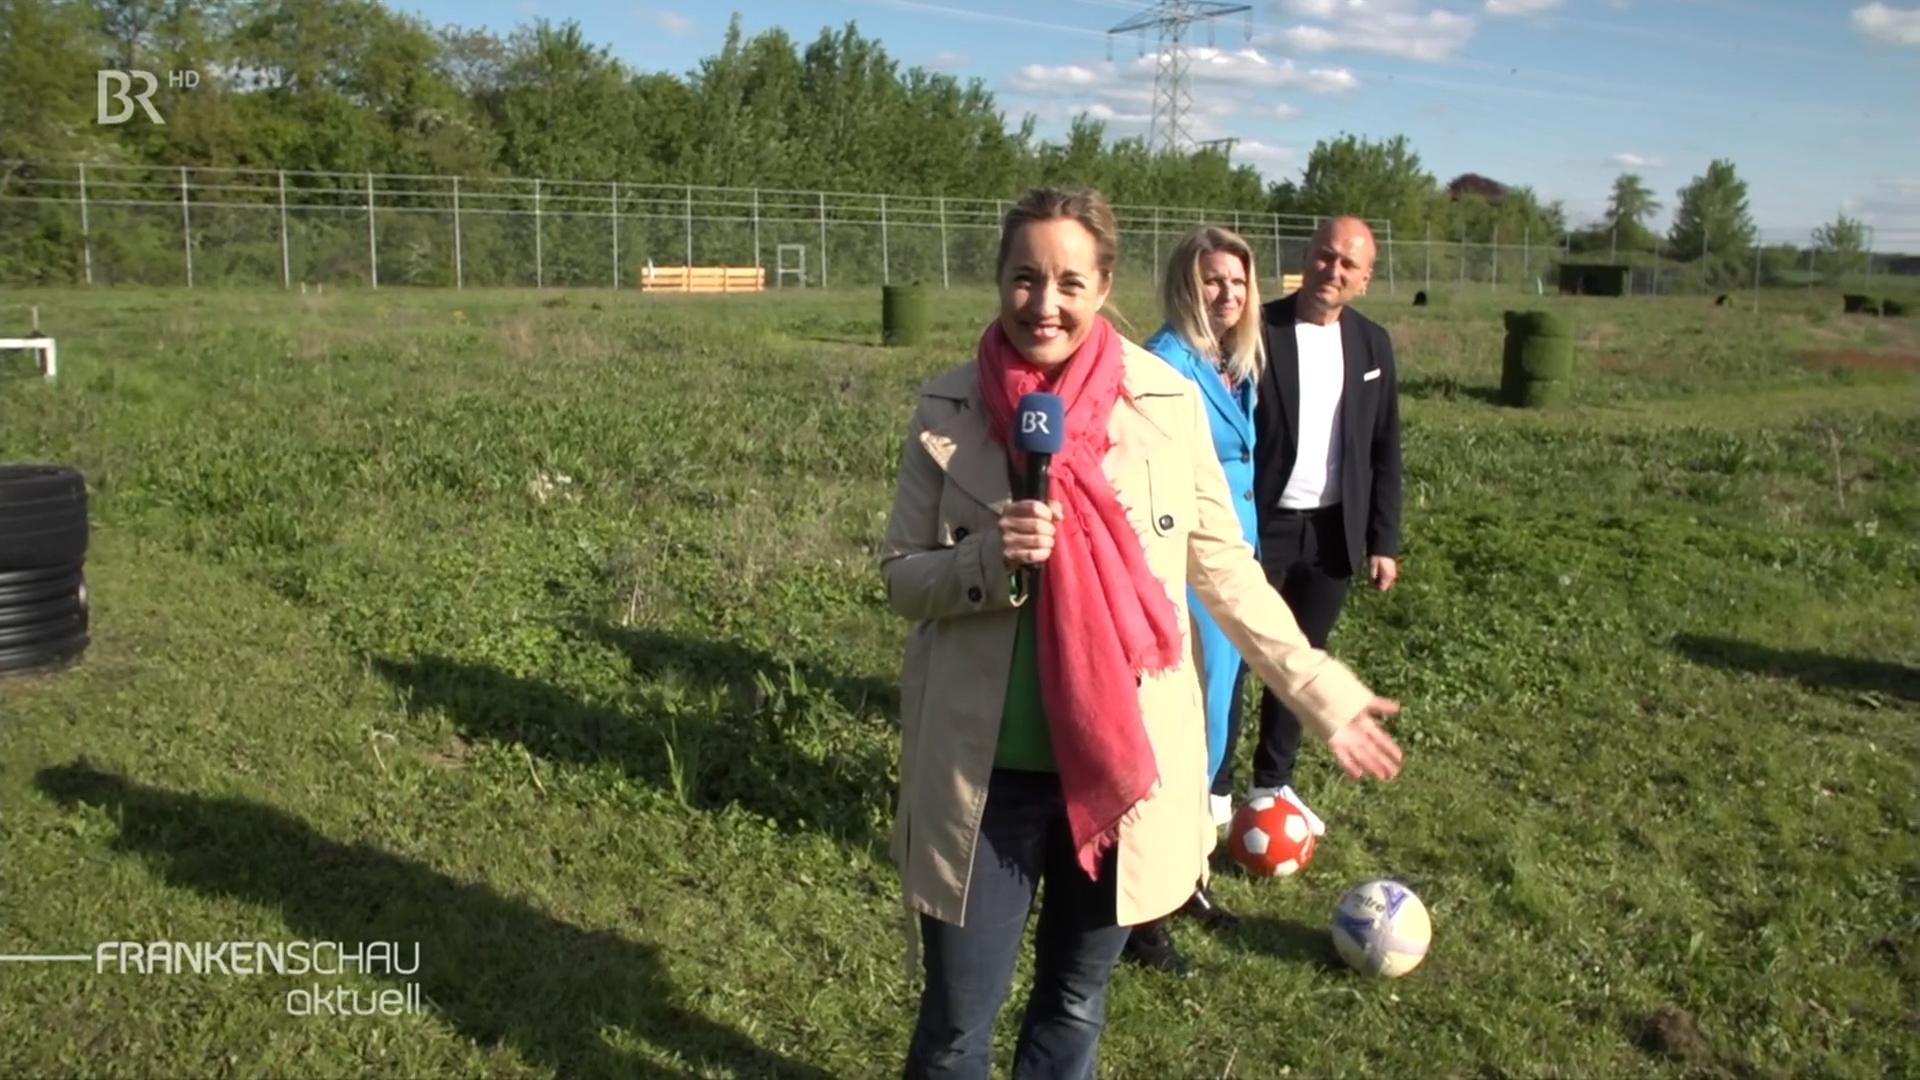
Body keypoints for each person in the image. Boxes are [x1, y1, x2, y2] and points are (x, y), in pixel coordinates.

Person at [880, 188, 1404, 1079]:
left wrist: (1317, 688)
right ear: (998, 281)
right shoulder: (948, 407)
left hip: (1120, 772)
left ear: (1105, 283)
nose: (1045, 303)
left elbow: (1227, 569)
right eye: (1024, 278)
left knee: (1074, 1005)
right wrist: (984, 563)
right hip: (984, 779)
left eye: (1069, 281)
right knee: (958, 1024)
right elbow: (900, 579)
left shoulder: (1163, 400)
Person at [1123, 225, 1267, 976]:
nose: (1227, 294)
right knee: (1177, 735)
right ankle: (1143, 907)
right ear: (1187, 283)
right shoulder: (1162, 363)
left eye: (1238, 283)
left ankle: (1185, 876)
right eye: (1213, 281)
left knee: (1212, 731)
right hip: (1182, 566)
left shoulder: (1235, 362)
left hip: (1231, 561)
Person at [1241, 215, 1404, 830]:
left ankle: (1272, 785)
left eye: (1347, 265)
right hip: (1263, 525)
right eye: (1324, 256)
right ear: (1305, 257)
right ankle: (1214, 790)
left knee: (1305, 658)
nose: (1331, 272)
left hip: (1333, 531)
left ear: (1364, 279)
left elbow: (1385, 446)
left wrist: (1382, 540)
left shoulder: (1372, 344)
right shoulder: (1261, 328)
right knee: (1237, 657)